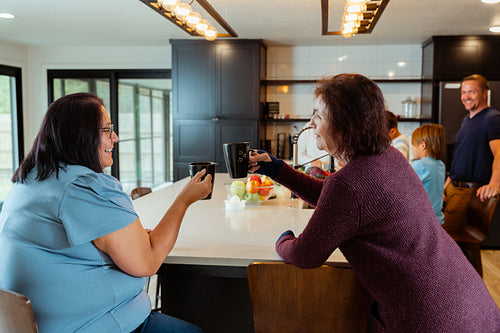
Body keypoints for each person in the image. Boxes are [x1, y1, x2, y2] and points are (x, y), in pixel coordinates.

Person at [249, 73, 500, 332]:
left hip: (431, 318)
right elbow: (340, 203)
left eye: (319, 116)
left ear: (344, 125)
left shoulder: (348, 183)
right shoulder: (388, 156)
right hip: (467, 300)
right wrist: (278, 170)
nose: (312, 122)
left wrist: (283, 240)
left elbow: (305, 254)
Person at [0, 93, 209, 333]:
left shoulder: (29, 179)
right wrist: (184, 199)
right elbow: (148, 261)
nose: (116, 138)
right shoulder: (85, 188)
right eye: (107, 130)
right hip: (93, 325)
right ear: (81, 136)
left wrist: (132, 243)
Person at [442, 74, 500, 272]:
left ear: (485, 93)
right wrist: (447, 184)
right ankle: (471, 296)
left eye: (472, 92)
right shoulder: (467, 120)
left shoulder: (492, 119)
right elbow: (462, 157)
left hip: (470, 193)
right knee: (462, 245)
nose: (466, 96)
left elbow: (499, 153)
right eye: (463, 92)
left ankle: (471, 296)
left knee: (455, 242)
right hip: (455, 189)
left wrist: (494, 184)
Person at [410, 124, 446, 224]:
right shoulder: (441, 165)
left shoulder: (419, 165)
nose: (412, 148)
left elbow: (403, 190)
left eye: (413, 145)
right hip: (437, 221)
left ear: (423, 145)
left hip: (423, 223)